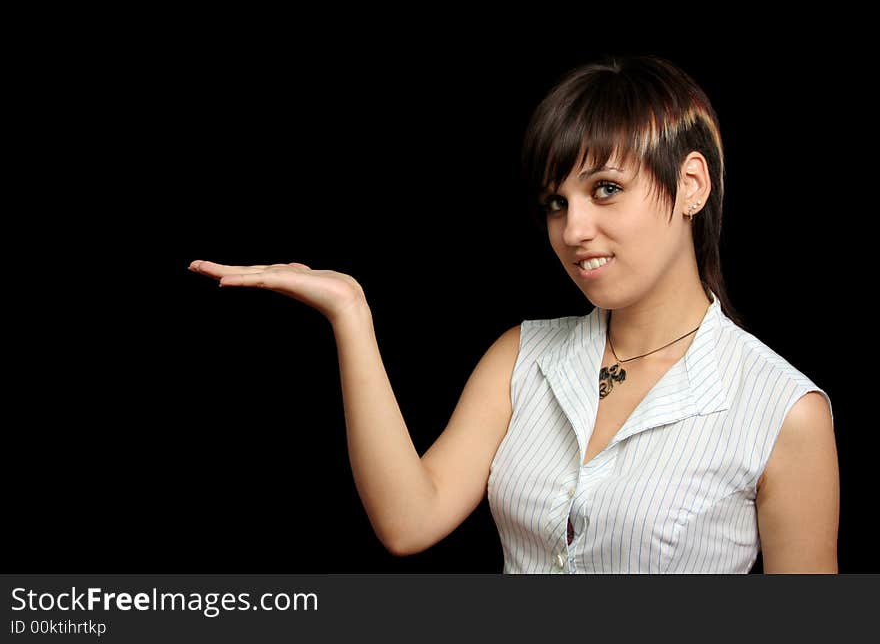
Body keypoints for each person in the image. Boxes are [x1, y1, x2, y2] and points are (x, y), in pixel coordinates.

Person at [188, 54, 839, 573]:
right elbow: (410, 520)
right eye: (557, 203)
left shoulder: (781, 409)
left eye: (605, 189)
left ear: (691, 185)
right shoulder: (522, 356)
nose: (574, 228)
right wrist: (351, 313)